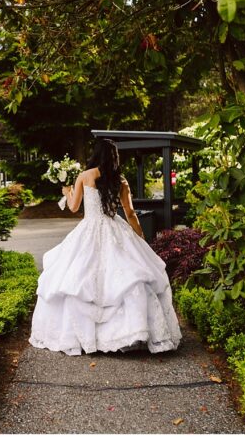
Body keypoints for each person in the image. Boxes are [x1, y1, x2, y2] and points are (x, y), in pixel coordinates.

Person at [29, 139, 181, 355]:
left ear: (96, 154)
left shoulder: (85, 176)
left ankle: (86, 336)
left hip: (88, 230)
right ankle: (129, 332)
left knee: (78, 279)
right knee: (126, 278)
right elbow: (130, 213)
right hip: (114, 229)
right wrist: (141, 238)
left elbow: (73, 208)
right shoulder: (120, 180)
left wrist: (67, 192)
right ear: (114, 157)